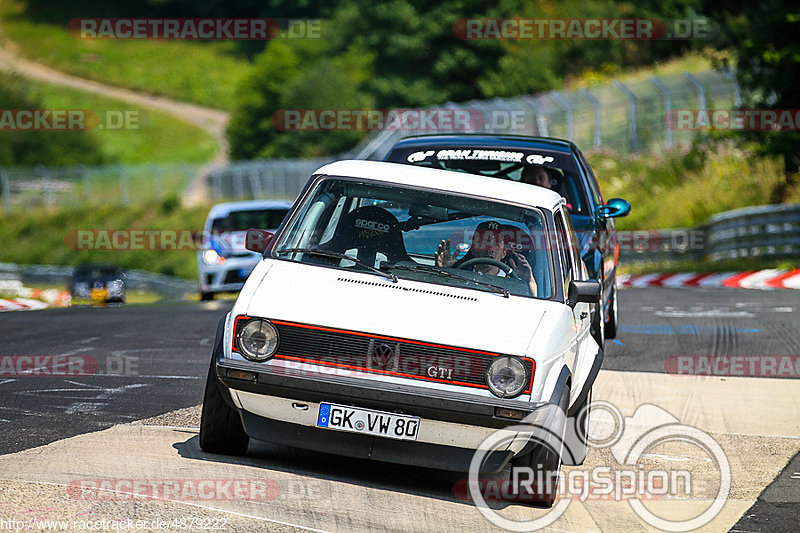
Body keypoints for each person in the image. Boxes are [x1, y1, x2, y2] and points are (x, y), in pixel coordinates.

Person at [435, 220, 537, 295]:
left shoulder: (515, 283)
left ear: (504, 253)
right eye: (484, 242)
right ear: (473, 249)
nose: (490, 249)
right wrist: (444, 271)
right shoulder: (459, 275)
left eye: (496, 243)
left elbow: (534, 309)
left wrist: (529, 280)